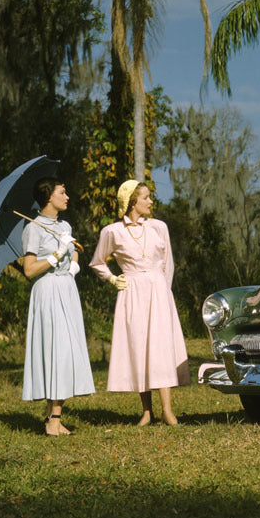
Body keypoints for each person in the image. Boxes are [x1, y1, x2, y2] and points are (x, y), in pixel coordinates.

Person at [89, 180, 189, 426]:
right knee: (139, 346)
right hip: (132, 292)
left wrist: (165, 291)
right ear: (132, 201)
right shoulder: (112, 231)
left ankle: (167, 410)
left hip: (158, 291)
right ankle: (147, 411)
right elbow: (97, 262)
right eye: (145, 197)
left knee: (160, 347)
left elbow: (168, 263)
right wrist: (113, 279)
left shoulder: (158, 227)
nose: (150, 202)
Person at [21, 177, 95, 436]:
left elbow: (74, 249)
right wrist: (55, 255)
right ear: (48, 196)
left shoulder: (64, 225)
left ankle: (54, 417)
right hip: (48, 290)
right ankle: (53, 420)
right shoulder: (34, 228)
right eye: (62, 193)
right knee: (55, 351)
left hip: (66, 288)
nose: (67, 197)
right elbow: (29, 270)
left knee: (66, 352)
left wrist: (73, 263)